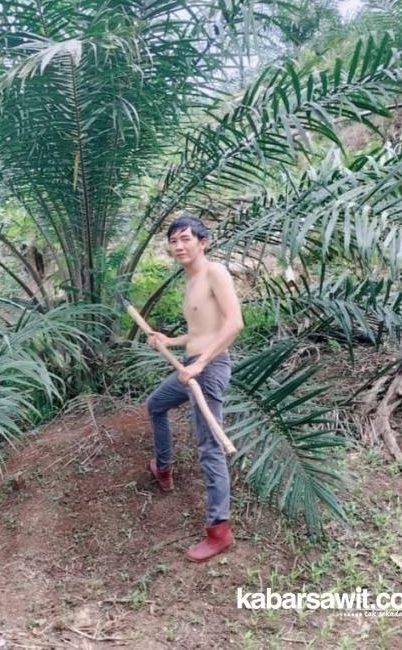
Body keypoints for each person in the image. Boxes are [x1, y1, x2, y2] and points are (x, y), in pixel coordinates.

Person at [145, 214, 243, 562]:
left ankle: (220, 531)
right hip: (191, 367)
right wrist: (169, 341)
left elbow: (233, 325)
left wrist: (200, 364)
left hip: (210, 368)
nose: (179, 246)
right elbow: (199, 332)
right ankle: (164, 467)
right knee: (155, 405)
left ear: (203, 242)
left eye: (185, 239)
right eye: (173, 241)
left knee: (209, 447)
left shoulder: (215, 272)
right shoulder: (189, 282)